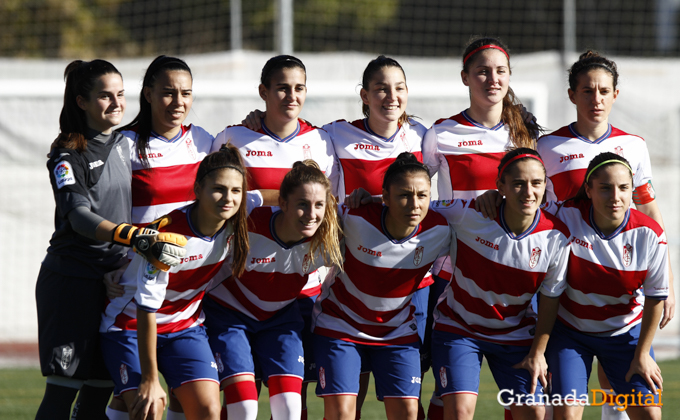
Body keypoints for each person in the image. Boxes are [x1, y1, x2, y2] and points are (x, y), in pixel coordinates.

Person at [242, 55, 431, 419]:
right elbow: (297, 156)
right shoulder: (334, 135)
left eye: (399, 89)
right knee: (346, 397)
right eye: (381, 89)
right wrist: (258, 119)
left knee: (409, 400)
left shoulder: (426, 136)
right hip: (353, 278)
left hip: (411, 281)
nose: (390, 97)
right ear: (365, 95)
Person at [36, 59, 185, 420]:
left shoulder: (125, 141)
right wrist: (133, 238)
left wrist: (253, 121)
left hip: (114, 287)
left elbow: (169, 118)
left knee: (98, 396)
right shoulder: (67, 154)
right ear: (81, 102)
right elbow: (79, 217)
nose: (116, 103)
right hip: (73, 283)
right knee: (62, 394)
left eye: (120, 94)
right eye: (104, 96)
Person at [536, 51, 674, 420]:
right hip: (567, 284)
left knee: (626, 394)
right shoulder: (548, 147)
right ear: (572, 95)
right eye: (587, 90)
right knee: (562, 401)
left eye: (603, 91)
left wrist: (667, 281)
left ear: (615, 94)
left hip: (619, 275)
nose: (595, 99)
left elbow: (647, 210)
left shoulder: (634, 145)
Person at [214, 55, 341, 419]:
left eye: (299, 88)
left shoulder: (321, 140)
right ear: (263, 92)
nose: (291, 95)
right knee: (242, 398)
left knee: (290, 403)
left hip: (297, 289)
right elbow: (217, 200)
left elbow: (332, 205)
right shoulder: (234, 137)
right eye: (282, 87)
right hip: (242, 281)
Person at [421, 36, 541, 420]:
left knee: (523, 391)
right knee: (449, 394)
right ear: (465, 77)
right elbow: (417, 196)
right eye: (482, 71)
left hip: (517, 274)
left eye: (500, 71)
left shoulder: (528, 135)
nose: (492, 79)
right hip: (455, 273)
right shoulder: (441, 134)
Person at [99, 145, 254, 420]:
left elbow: (269, 198)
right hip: (131, 325)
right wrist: (150, 378)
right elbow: (147, 309)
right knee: (149, 407)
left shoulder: (235, 214)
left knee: (208, 410)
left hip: (184, 327)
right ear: (197, 189)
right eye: (218, 189)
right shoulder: (167, 237)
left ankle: (121, 402)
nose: (228, 198)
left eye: (236, 191)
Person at [429, 148, 571, 420]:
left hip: (515, 335)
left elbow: (550, 299)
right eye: (518, 183)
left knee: (535, 412)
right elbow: (416, 206)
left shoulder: (556, 237)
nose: (528, 192)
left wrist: (538, 353)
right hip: (459, 328)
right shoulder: (468, 214)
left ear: (545, 186)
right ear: (500, 186)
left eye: (536, 183)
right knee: (460, 412)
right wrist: (368, 200)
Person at [312, 153, 453, 420]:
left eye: (422, 195)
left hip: (396, 332)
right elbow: (309, 204)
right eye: (404, 195)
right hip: (341, 325)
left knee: (410, 414)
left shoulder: (442, 228)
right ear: (385, 197)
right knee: (343, 414)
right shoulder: (352, 216)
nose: (414, 204)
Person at [204, 160, 343, 420]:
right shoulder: (246, 222)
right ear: (283, 203)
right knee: (243, 408)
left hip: (280, 320)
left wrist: (366, 197)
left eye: (318, 205)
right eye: (302, 204)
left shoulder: (329, 236)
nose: (311, 214)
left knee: (290, 410)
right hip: (229, 316)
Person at [543, 153, 667, 420]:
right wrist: (494, 199)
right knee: (566, 414)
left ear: (632, 191)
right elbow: (522, 214)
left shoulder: (650, 234)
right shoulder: (563, 215)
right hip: (570, 333)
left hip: (625, 334)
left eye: (623, 188)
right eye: (605, 188)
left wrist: (642, 353)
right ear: (588, 189)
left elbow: (656, 299)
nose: (615, 196)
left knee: (650, 415)